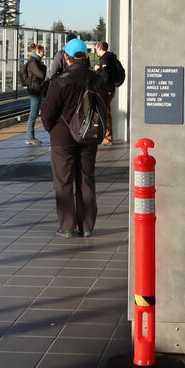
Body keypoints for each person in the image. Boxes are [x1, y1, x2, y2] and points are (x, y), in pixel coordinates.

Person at [40, 41, 107, 237]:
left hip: (62, 137)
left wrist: (51, 129)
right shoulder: (98, 80)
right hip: (89, 135)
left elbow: (47, 113)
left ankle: (67, 226)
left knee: (63, 181)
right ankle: (86, 226)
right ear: (85, 56)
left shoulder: (59, 81)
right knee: (86, 179)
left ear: (66, 57)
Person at [94, 39, 126, 145]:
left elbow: (106, 77)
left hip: (106, 89)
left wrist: (98, 69)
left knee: (105, 113)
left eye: (96, 49)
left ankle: (107, 137)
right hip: (110, 89)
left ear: (99, 48)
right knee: (106, 111)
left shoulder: (105, 60)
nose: (96, 51)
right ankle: (107, 137)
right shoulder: (111, 58)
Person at [19, 42, 48, 145]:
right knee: (33, 114)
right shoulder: (33, 63)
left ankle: (30, 136)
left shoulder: (35, 62)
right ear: (38, 51)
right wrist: (44, 67)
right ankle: (29, 137)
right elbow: (41, 76)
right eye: (43, 51)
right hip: (34, 90)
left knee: (34, 113)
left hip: (35, 89)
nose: (45, 52)